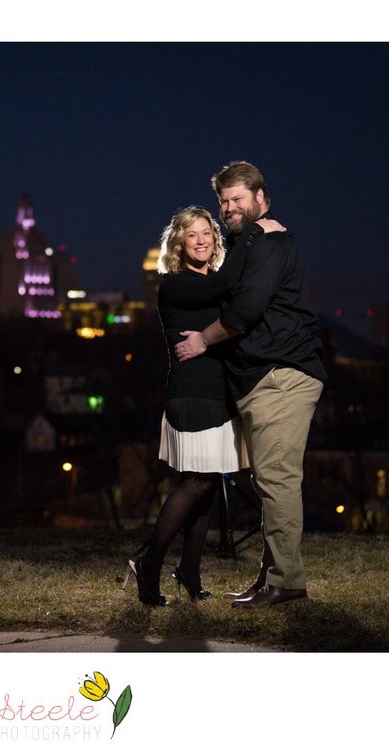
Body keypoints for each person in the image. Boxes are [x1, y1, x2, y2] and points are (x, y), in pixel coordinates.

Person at [175, 161, 327, 609]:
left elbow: (246, 311)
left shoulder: (270, 243)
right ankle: (271, 577)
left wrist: (203, 340)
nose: (228, 208)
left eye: (238, 199)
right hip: (262, 377)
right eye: (223, 201)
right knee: (268, 482)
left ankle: (287, 582)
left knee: (277, 479)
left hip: (282, 375)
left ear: (262, 197)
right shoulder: (252, 242)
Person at [126, 205, 282, 606]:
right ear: (179, 243)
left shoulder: (215, 283)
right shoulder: (176, 284)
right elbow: (231, 280)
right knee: (195, 481)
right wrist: (250, 234)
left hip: (220, 393)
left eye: (207, 234)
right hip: (191, 393)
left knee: (207, 485)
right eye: (192, 234)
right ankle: (150, 562)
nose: (201, 240)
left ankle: (189, 571)